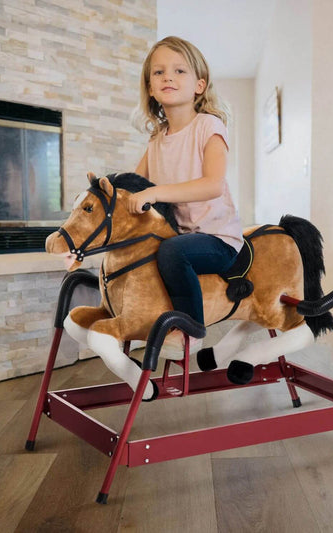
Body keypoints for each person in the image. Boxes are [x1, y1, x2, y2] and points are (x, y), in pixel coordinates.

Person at [127, 36, 244, 355]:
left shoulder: (209, 127)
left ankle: (191, 330)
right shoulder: (156, 140)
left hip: (217, 239)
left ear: (199, 84)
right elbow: (134, 186)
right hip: (180, 236)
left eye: (179, 71)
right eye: (159, 72)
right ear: (150, 88)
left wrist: (156, 191)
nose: (168, 77)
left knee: (172, 252)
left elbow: (211, 185)